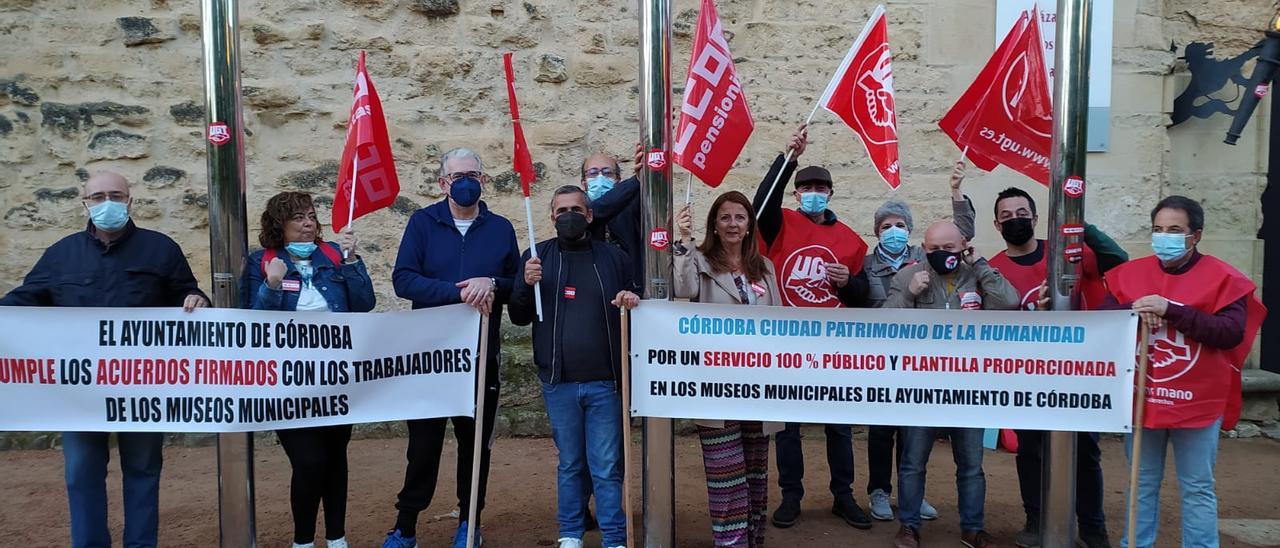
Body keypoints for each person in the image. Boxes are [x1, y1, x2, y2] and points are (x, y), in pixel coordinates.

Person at [0, 171, 209, 548]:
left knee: (144, 470)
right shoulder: (61, 254)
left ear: (130, 201)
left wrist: (198, 299)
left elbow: (186, 292)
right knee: (81, 473)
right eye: (97, 196)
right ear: (85, 203)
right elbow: (24, 301)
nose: (106, 203)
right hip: (79, 392)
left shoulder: (161, 249)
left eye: (115, 195)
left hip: (142, 387)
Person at [1105, 196, 1263, 547]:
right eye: (1158, 229)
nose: (1165, 237)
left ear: (1196, 235)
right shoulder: (1130, 275)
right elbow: (1105, 320)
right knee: (1140, 482)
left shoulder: (1224, 278)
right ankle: (1136, 543)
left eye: (1175, 230)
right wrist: (1134, 309)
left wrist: (1172, 309)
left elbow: (1229, 332)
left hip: (1198, 401)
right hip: (1142, 399)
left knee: (1196, 487)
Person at [385, 148, 521, 548]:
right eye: (458, 175)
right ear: (443, 183)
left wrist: (492, 284)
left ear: (484, 181)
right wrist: (459, 292)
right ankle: (406, 525)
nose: (466, 182)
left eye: (474, 175)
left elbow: (515, 286)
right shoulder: (422, 223)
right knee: (422, 447)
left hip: (481, 358)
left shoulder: (500, 228)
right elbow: (403, 280)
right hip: (430, 357)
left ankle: (469, 522)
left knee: (475, 445)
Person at [985, 186, 1129, 548]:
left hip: (1080, 373)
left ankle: (1093, 528)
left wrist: (1078, 223)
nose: (1014, 220)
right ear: (996, 224)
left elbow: (1117, 259)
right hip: (1026, 377)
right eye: (1006, 216)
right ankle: (1036, 520)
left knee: (1084, 451)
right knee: (1031, 450)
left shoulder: (1067, 251)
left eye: (1022, 213)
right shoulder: (994, 270)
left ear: (1036, 218)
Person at [752, 124, 873, 530]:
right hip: (787, 344)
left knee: (838, 427)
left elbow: (864, 298)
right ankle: (791, 495)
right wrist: (788, 159)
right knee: (787, 428)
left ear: (831, 193)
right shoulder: (781, 222)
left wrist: (848, 283)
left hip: (834, 348)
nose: (814, 192)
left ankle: (843, 495)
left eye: (821, 187)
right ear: (796, 194)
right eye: (807, 187)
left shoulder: (852, 241)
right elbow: (761, 202)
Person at [509, 185, 640, 548]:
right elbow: (520, 316)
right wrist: (523, 282)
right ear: (551, 217)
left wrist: (632, 299)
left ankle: (614, 537)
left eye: (576, 209)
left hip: (606, 382)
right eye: (561, 209)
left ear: (589, 215)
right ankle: (570, 533)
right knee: (570, 463)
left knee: (607, 465)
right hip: (559, 381)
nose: (569, 215)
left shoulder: (613, 257)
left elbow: (632, 300)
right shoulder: (536, 257)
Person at [244, 191, 375, 548]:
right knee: (309, 461)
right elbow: (252, 326)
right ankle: (303, 540)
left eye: (311, 216)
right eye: (298, 218)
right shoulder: (262, 262)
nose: (308, 224)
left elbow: (364, 304)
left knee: (335, 458)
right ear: (279, 225)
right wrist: (271, 285)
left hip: (336, 378)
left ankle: (337, 537)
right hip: (289, 384)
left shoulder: (333, 256)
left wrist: (351, 262)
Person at [884, 220, 1019, 548]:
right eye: (933, 249)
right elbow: (884, 323)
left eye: (949, 248)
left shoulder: (977, 274)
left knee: (971, 465)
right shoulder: (908, 276)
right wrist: (908, 294)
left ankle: (972, 528)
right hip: (920, 388)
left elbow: (1010, 302)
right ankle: (909, 526)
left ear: (963, 247)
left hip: (968, 388)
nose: (941, 254)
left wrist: (981, 266)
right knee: (913, 462)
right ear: (924, 249)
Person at [862, 160, 976, 523]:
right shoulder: (866, 265)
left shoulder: (924, 257)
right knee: (881, 431)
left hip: (921, 361)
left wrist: (956, 193)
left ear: (910, 231)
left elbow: (962, 234)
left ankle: (913, 496)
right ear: (876, 231)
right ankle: (879, 491)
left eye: (899, 225)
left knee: (912, 434)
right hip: (882, 357)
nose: (893, 230)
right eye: (885, 226)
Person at [673, 191, 783, 547]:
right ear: (715, 226)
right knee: (726, 474)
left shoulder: (765, 267)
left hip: (761, 382)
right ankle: (730, 543)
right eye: (725, 218)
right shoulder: (700, 261)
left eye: (740, 217)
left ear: (749, 224)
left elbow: (780, 321)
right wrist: (685, 242)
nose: (733, 224)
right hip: (716, 383)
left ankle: (754, 539)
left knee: (755, 471)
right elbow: (682, 288)